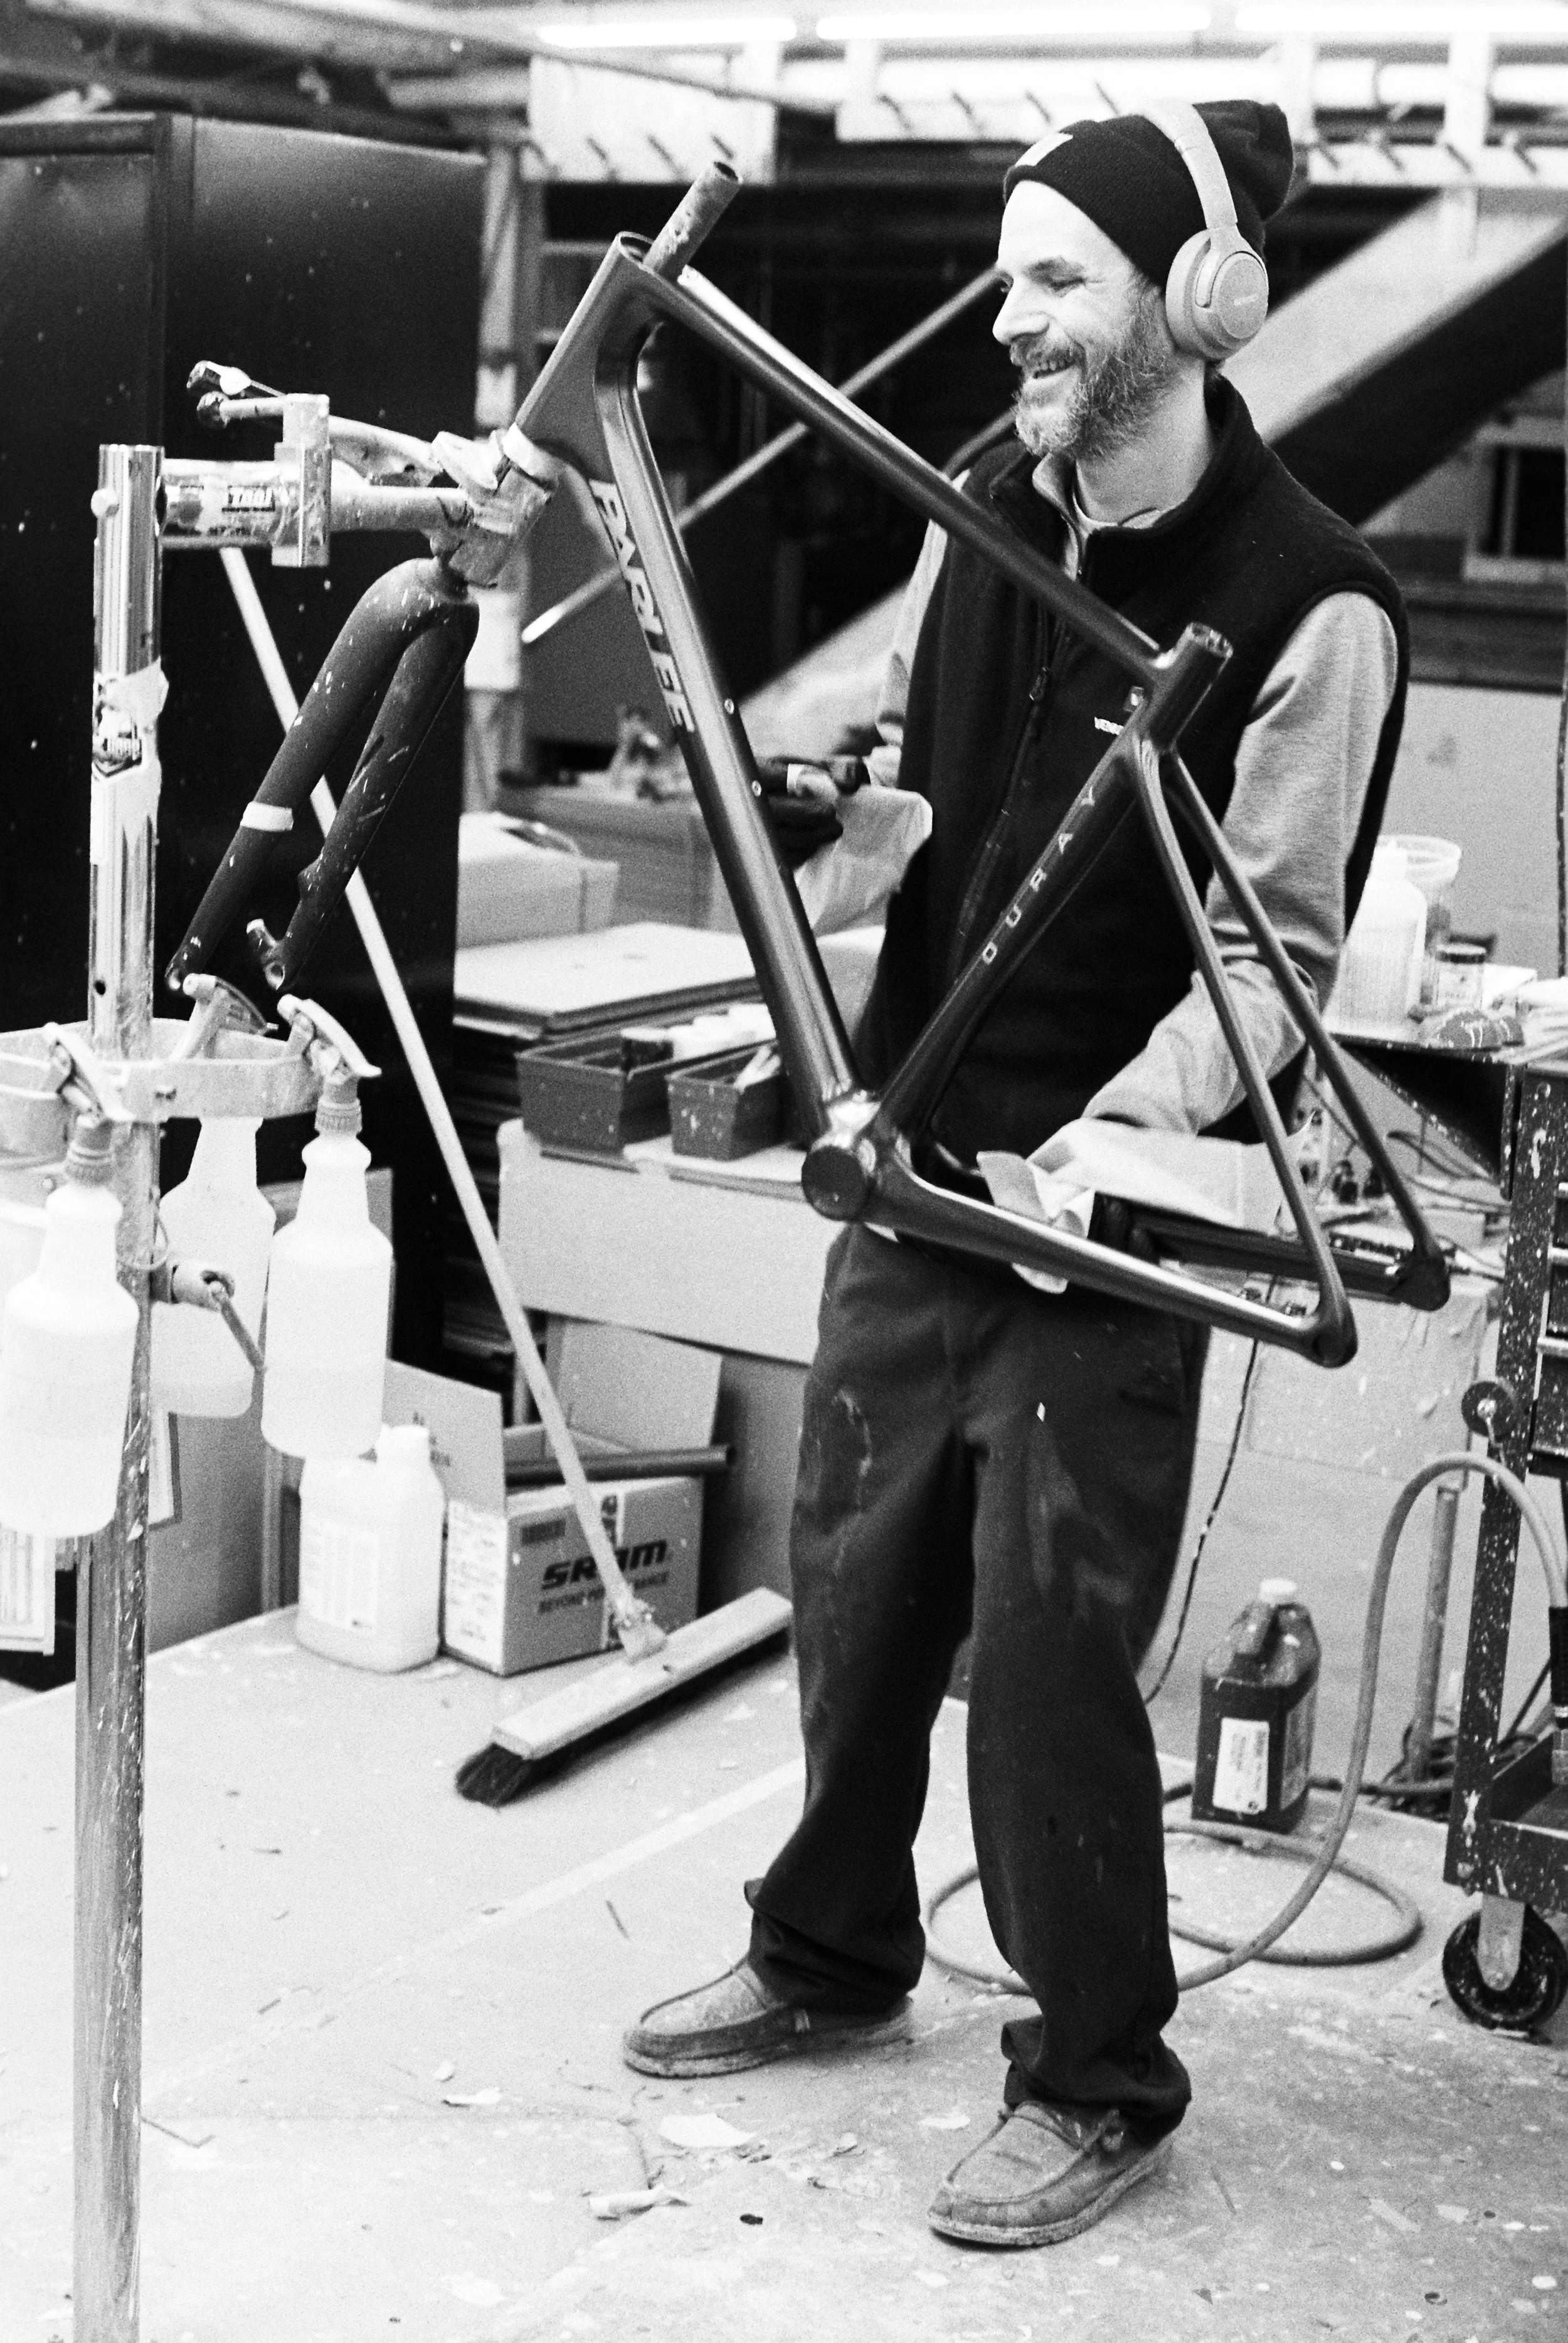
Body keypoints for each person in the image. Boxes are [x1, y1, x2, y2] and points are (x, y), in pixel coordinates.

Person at [622, 100, 1409, 2251]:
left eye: (1057, 275)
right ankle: (827, 1952)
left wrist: (1107, 1139)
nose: (1008, 314)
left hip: (1098, 1218)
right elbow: (917, 790)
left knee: (1049, 1665)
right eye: (1006, 271)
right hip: (912, 1167)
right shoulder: (974, 501)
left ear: (1193, 298)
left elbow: (1273, 957)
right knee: (855, 1589)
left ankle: (1096, 2074)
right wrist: (822, 851)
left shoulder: (1313, 606)